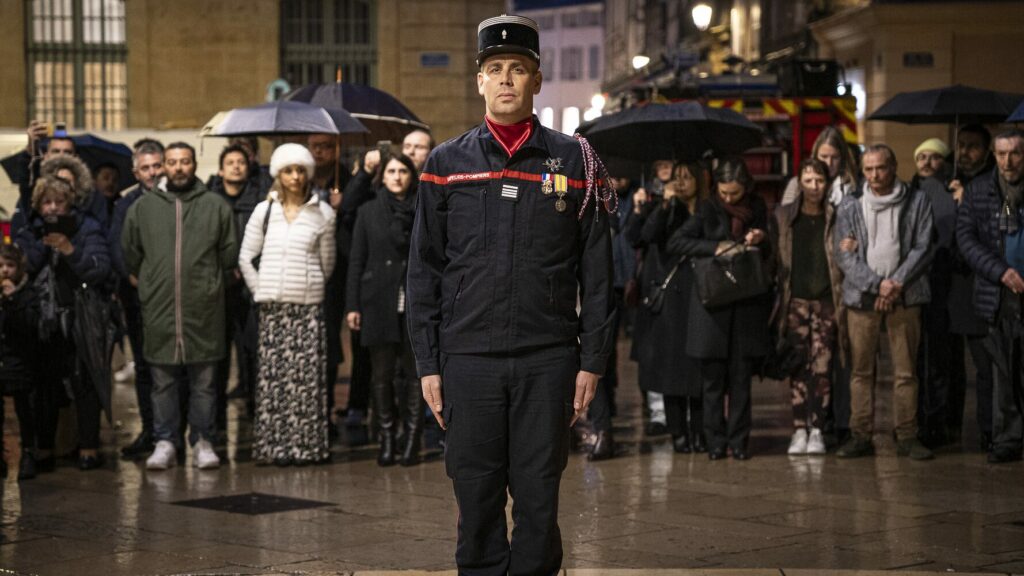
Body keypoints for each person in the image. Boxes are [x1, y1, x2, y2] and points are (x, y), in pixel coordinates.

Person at [407, 14, 615, 574]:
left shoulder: (575, 162)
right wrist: (429, 363)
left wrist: (591, 361)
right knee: (474, 499)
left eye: (517, 69)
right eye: (494, 69)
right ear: (479, 81)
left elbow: (598, 274)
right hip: (467, 361)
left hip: (546, 361)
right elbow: (423, 272)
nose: (505, 79)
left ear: (537, 80)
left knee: (538, 501)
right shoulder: (446, 165)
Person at [122, 142, 238, 471]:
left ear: (194, 164)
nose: (178, 168)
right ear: (164, 168)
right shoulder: (143, 209)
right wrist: (149, 282)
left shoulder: (215, 206)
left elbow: (229, 253)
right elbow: (131, 251)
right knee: (163, 381)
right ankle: (165, 440)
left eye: (184, 162)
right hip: (160, 307)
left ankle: (202, 439)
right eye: (172, 162)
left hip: (203, 306)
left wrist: (209, 281)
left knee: (205, 381)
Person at [834, 144, 935, 461]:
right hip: (862, 298)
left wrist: (895, 285)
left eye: (880, 168)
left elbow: (923, 247)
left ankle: (907, 434)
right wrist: (878, 285)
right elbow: (844, 256)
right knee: (861, 372)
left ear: (893, 167)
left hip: (906, 296)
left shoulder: (917, 201)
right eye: (868, 169)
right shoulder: (850, 206)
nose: (874, 175)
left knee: (906, 372)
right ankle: (860, 435)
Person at [238, 143, 336, 466]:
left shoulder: (322, 213)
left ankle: (306, 447)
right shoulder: (264, 211)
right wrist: (260, 290)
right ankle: (275, 447)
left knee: (306, 383)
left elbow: (327, 263)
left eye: (299, 170)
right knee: (274, 381)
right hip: (273, 309)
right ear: (278, 174)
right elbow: (246, 257)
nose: (295, 176)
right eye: (288, 170)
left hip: (306, 309)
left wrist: (311, 285)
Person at [668, 158, 771, 461]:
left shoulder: (758, 208)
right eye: (724, 193)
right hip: (712, 307)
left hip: (746, 303)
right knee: (712, 380)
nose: (728, 199)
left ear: (746, 189)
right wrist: (715, 247)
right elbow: (679, 241)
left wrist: (760, 237)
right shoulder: (707, 208)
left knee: (741, 379)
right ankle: (715, 441)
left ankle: (739, 441)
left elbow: (769, 247)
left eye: (735, 194)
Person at [17, 176, 111, 471]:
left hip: (79, 315)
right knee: (44, 385)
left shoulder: (88, 227)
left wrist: (71, 250)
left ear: (71, 203)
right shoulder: (29, 229)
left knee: (85, 382)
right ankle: (43, 447)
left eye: (60, 201)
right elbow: (22, 268)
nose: (53, 208)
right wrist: (43, 245)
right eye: (47, 202)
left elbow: (101, 269)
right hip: (43, 320)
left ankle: (88, 446)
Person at [346, 154, 423, 466]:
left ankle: (412, 440)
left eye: (403, 170)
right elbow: (356, 259)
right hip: (378, 300)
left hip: (414, 301)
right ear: (382, 176)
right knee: (382, 376)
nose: (397, 176)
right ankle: (388, 438)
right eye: (391, 171)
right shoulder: (369, 210)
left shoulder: (422, 207)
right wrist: (353, 305)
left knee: (415, 375)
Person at [957, 129, 1024, 464]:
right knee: (1002, 370)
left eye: (1014, 153)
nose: (1007, 161)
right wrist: (1000, 271)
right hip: (998, 293)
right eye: (1001, 154)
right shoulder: (980, 190)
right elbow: (966, 239)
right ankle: (1007, 438)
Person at [771, 159, 844, 455]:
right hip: (795, 301)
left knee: (822, 368)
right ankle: (799, 428)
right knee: (798, 366)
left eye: (819, 180)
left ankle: (817, 428)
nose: (814, 186)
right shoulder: (785, 215)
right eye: (808, 179)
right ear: (799, 181)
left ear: (827, 183)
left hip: (827, 302)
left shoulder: (836, 216)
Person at [632, 162, 707, 454]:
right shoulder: (665, 208)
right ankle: (678, 432)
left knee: (697, 366)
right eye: (678, 178)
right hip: (671, 298)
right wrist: (665, 204)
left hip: (699, 292)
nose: (683, 183)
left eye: (688, 177)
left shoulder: (705, 209)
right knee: (672, 367)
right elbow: (645, 236)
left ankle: (699, 430)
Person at [109, 139, 164, 459]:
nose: (152, 172)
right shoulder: (125, 205)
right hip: (138, 297)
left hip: (170, 299)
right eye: (145, 168)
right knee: (144, 366)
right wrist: (132, 276)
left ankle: (173, 432)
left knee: (172, 368)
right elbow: (116, 245)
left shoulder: (176, 198)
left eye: (156, 165)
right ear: (135, 172)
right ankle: (150, 429)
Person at [948, 124, 996, 450]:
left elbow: (1005, 224)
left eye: (973, 146)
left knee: (988, 367)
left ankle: (991, 430)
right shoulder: (946, 179)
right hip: (953, 289)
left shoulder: (996, 187)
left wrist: (968, 205)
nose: (965, 152)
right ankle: (952, 428)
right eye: (961, 145)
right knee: (953, 367)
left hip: (987, 287)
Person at [211, 144, 262, 426]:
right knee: (218, 355)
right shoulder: (211, 201)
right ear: (221, 169)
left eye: (240, 162)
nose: (236, 166)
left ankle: (255, 410)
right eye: (230, 162)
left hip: (251, 287)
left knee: (252, 350)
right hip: (220, 288)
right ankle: (216, 419)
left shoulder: (258, 200)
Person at [0, 244, 41, 480]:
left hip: (20, 362)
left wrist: (13, 299)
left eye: (10, 265)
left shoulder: (27, 294)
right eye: (1, 266)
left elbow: (29, 325)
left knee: (25, 410)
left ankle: (28, 452)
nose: (5, 270)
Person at [781, 126, 859, 206]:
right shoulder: (797, 185)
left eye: (835, 157)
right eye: (824, 156)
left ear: (843, 158)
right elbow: (785, 214)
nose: (829, 163)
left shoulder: (854, 187)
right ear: (815, 156)